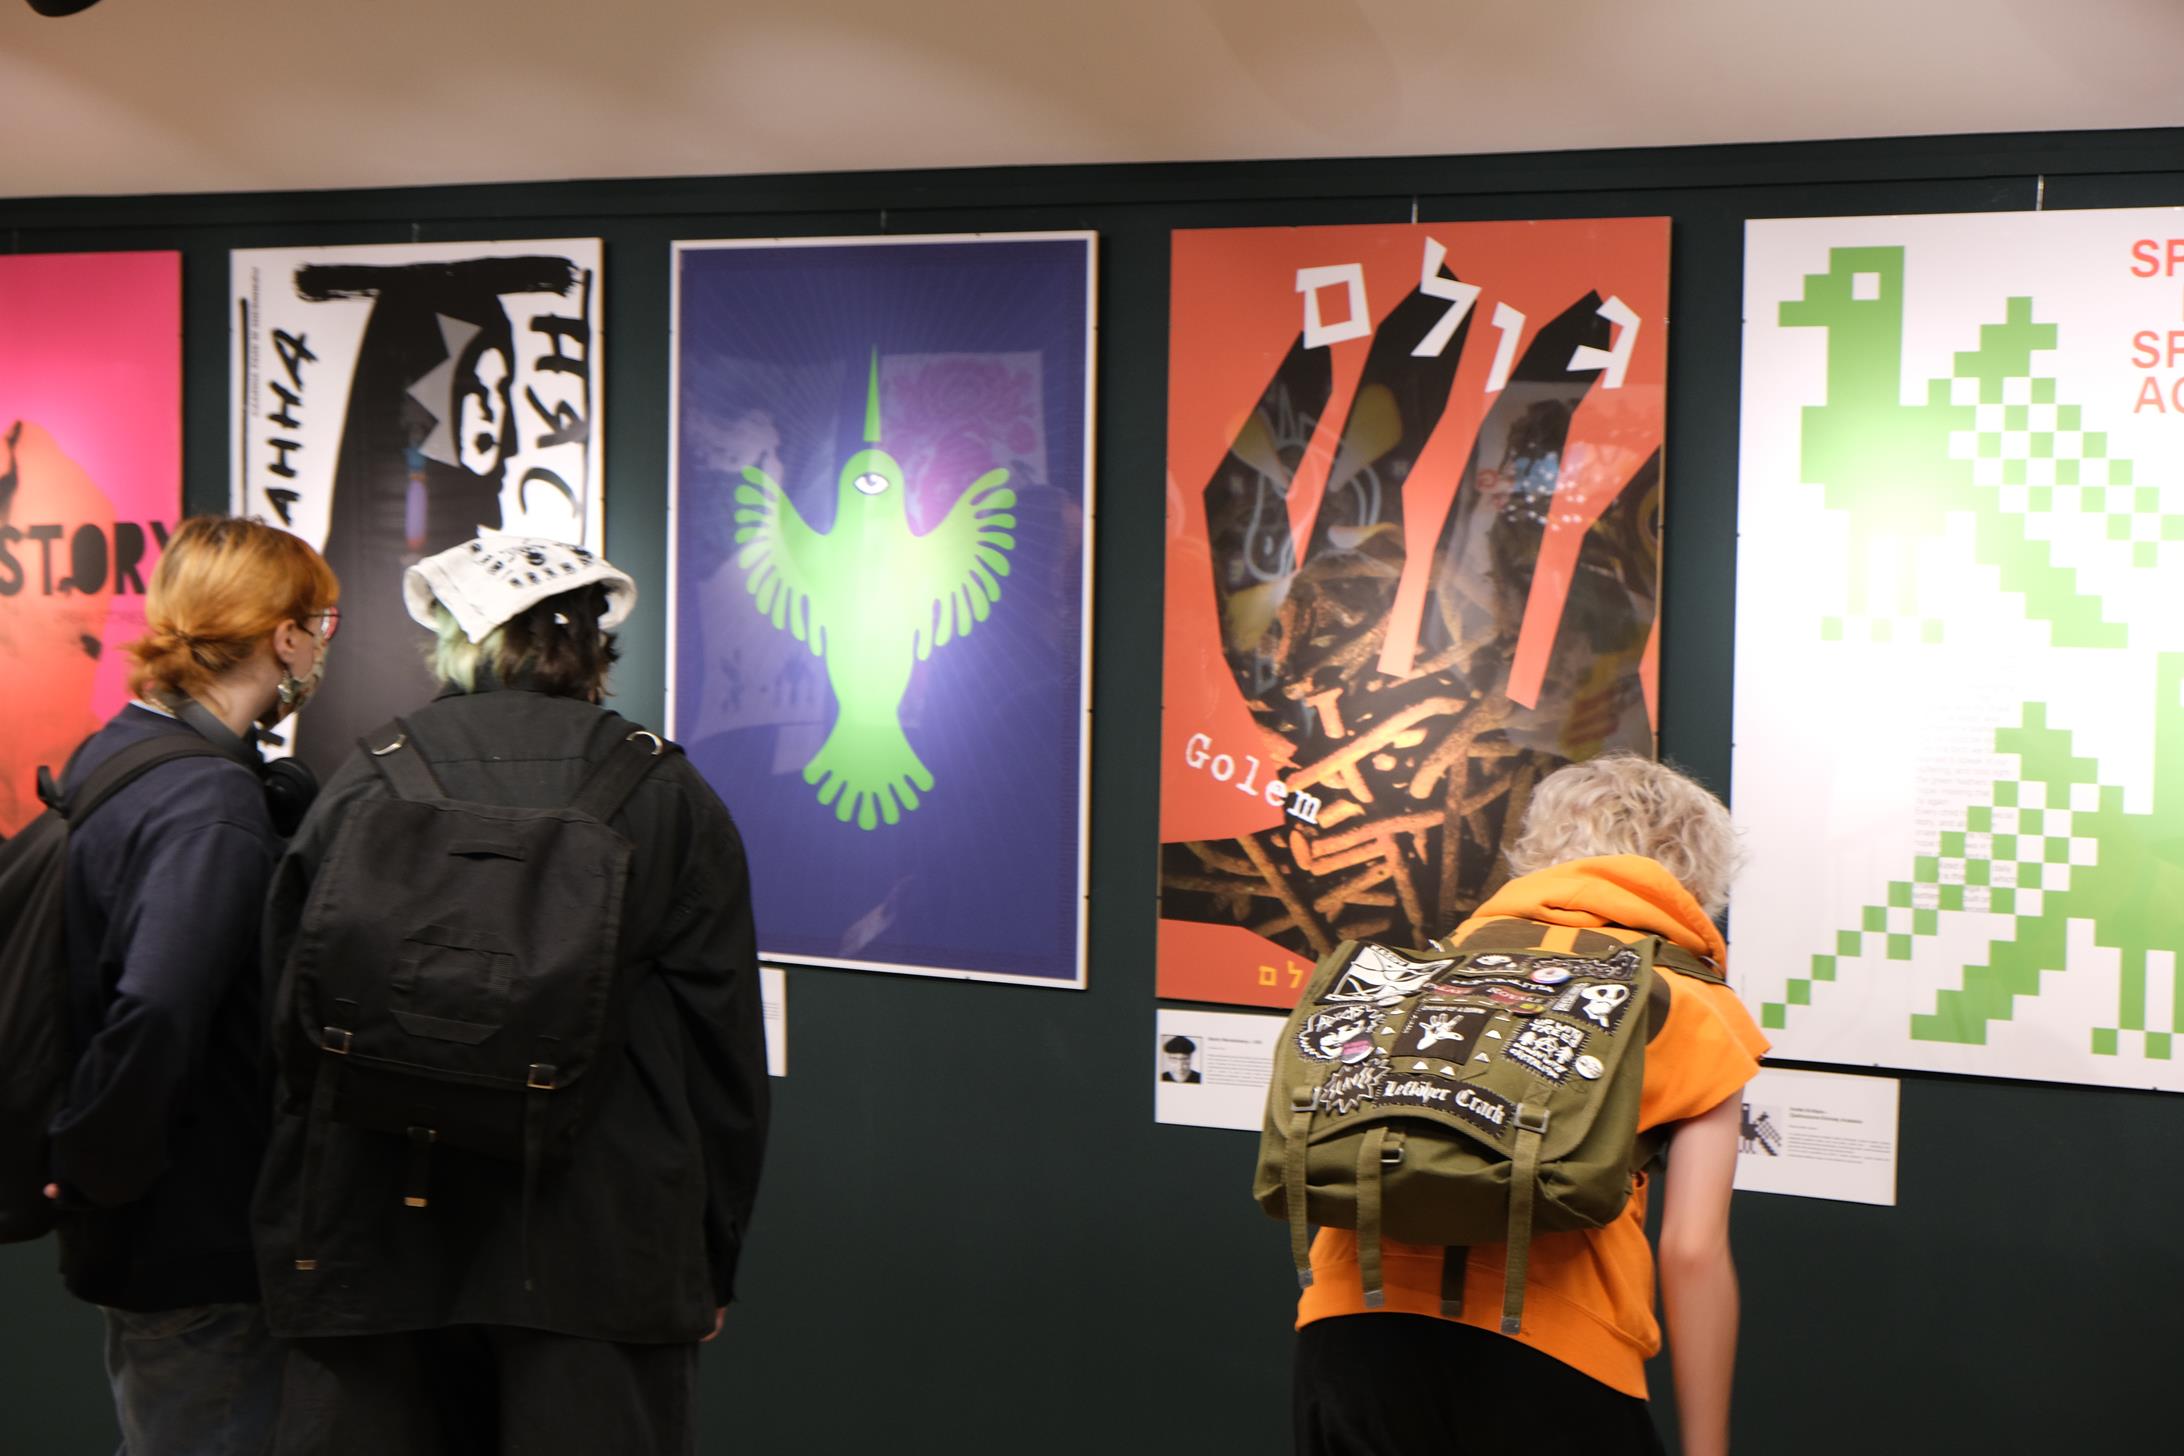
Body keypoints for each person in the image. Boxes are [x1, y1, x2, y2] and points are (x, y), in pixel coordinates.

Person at [252, 534, 769, 1456]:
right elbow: (720, 1057)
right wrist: (709, 1258)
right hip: (601, 1256)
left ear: (457, 639)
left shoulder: (369, 776)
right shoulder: (667, 793)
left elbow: (292, 1024)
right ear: (596, 645)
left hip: (380, 1246)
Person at [1291, 752, 1767, 1456]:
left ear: (1541, 843)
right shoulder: (1690, 1004)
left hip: (1348, 1331)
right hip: (1548, 1350)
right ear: (1696, 872)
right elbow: (1692, 1250)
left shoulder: (1427, 969)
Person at [45, 514, 339, 1456]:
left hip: (155, 1232)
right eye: (321, 623)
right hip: (193, 1236)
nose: (323, 644)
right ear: (285, 637)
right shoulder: (210, 803)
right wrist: (103, 1169)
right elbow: (159, 1007)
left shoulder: (125, 750)